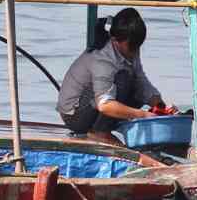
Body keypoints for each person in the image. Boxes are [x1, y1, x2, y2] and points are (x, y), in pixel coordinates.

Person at [56, 9, 173, 140]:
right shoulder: (102, 58)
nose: (135, 51)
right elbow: (104, 105)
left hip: (96, 104)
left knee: (135, 84)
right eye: (132, 47)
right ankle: (99, 132)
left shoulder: (132, 48)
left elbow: (141, 81)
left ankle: (107, 129)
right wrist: (142, 115)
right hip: (75, 115)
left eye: (138, 46)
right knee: (123, 77)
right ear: (115, 40)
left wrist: (160, 106)